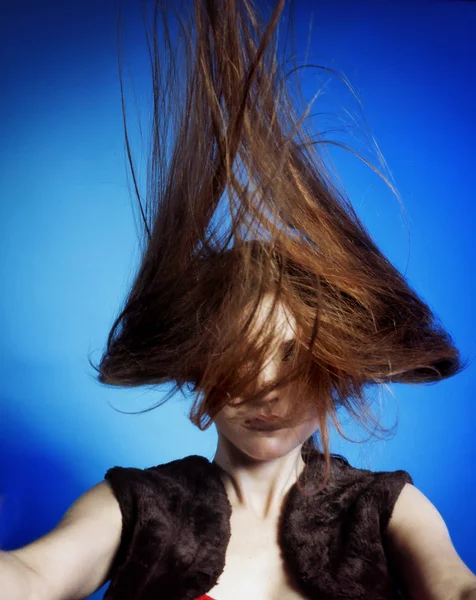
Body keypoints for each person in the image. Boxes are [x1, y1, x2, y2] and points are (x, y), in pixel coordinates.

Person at [1, 0, 475, 599]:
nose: (264, 388)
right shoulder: (137, 507)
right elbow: (32, 575)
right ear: (198, 363)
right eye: (237, 354)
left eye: (294, 356)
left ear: (337, 367)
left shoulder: (387, 509)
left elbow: (456, 587)